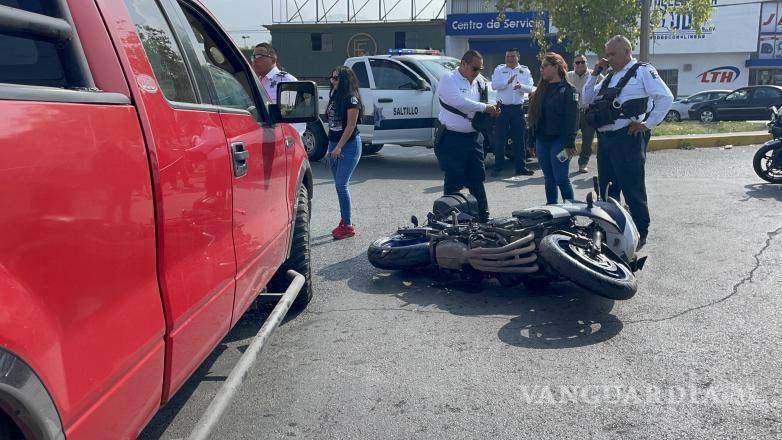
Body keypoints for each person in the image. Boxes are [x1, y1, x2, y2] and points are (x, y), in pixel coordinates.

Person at [582, 35, 674, 250]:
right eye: (607, 54)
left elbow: (665, 97)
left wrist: (647, 124)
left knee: (633, 189)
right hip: (606, 139)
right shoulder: (609, 77)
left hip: (628, 138)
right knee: (607, 189)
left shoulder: (642, 71)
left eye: (612, 54)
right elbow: (587, 99)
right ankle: (610, 229)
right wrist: (594, 74)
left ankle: (640, 231)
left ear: (626, 51)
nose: (608, 58)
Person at [436, 50, 501, 222]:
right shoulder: (448, 79)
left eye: (480, 69)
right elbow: (458, 101)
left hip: (474, 137)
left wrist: (492, 108)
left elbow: (484, 103)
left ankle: (482, 215)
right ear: (463, 64)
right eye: (474, 68)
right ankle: (450, 219)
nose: (477, 73)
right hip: (452, 138)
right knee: (453, 180)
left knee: (477, 178)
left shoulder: (479, 81)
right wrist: (485, 107)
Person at [526, 53, 579, 205]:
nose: (541, 70)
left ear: (556, 67)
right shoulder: (540, 90)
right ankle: (552, 210)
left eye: (545, 66)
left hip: (560, 141)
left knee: (561, 178)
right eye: (541, 67)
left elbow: (573, 118)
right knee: (549, 179)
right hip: (542, 141)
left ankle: (571, 211)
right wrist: (531, 141)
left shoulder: (570, 90)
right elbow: (533, 118)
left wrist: (570, 142)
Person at [326, 66, 364, 240]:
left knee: (342, 185)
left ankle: (348, 226)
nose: (332, 81)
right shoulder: (334, 95)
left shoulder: (352, 100)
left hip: (348, 145)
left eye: (336, 78)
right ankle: (344, 219)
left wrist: (339, 147)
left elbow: (350, 126)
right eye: (331, 77)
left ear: (345, 80)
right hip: (333, 143)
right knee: (338, 185)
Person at [490, 48, 536, 177]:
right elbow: (494, 85)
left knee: (519, 139)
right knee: (500, 139)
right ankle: (498, 167)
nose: (509, 59)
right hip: (502, 108)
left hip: (517, 109)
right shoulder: (499, 69)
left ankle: (521, 167)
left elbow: (530, 88)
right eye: (507, 56)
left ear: (518, 57)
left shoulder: (524, 70)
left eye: (512, 56)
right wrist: (507, 83)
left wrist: (520, 86)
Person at [251, 43, 305, 135]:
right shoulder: (256, 81)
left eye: (259, 56)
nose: (255, 60)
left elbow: (293, 120)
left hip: (280, 139)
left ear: (273, 59)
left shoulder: (286, 81)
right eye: (253, 57)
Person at [566, 54, 603, 173]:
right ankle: (564, 163)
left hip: (588, 112)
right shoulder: (568, 76)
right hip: (572, 113)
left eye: (583, 62)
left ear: (587, 62)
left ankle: (583, 163)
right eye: (578, 62)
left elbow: (605, 88)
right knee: (568, 139)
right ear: (573, 64)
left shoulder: (595, 75)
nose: (581, 64)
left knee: (587, 141)